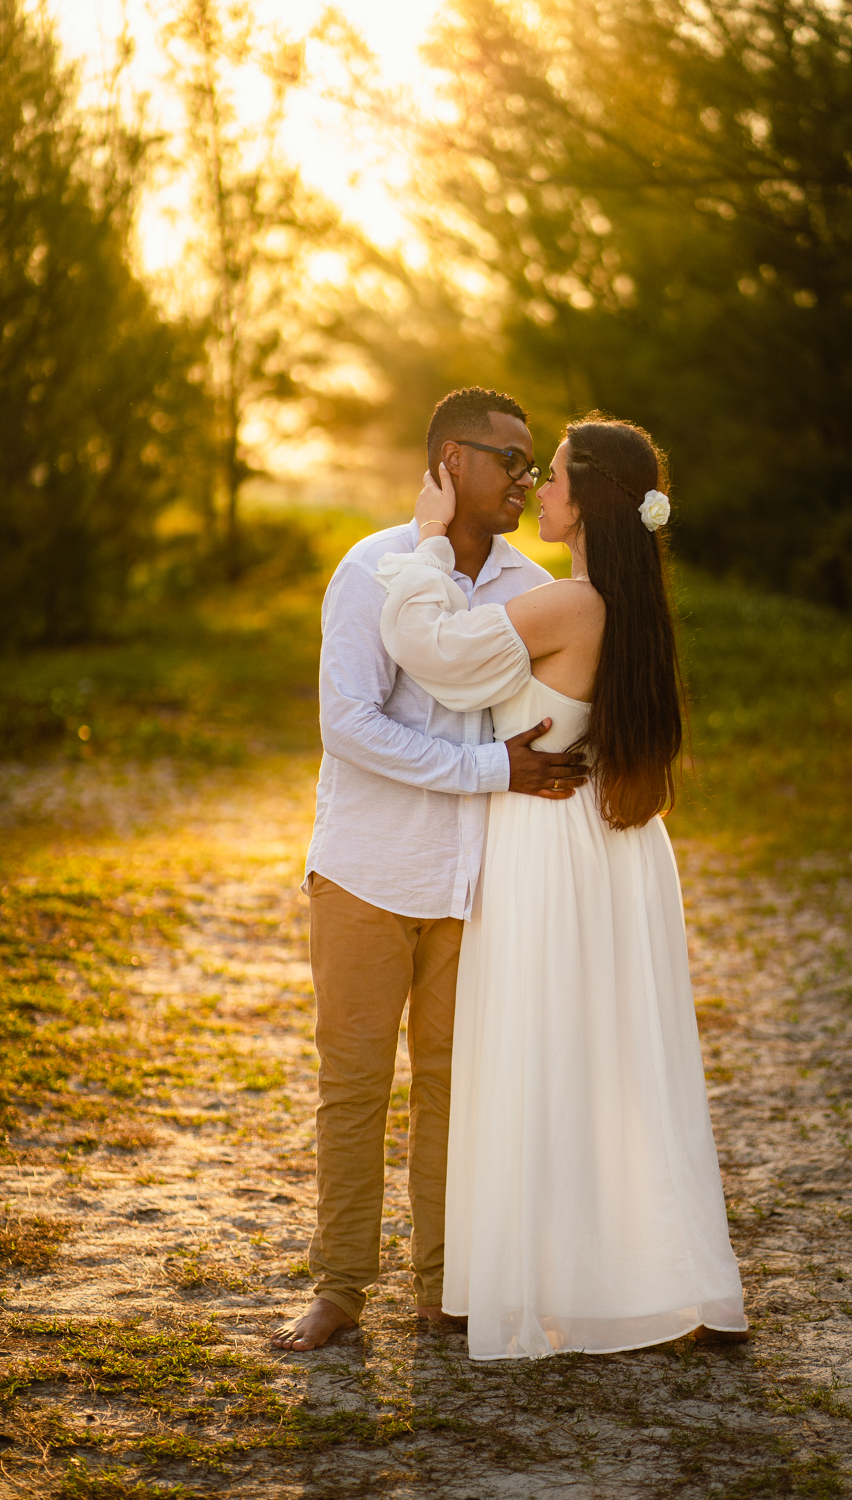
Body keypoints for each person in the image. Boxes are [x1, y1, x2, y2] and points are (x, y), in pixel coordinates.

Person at [375, 413, 748, 1360]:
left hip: (550, 846)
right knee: (609, 1064)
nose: (539, 488)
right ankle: (622, 1278)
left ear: (588, 502)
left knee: (541, 1054)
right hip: (613, 849)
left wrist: (425, 538)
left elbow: (437, 654)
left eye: (556, 477)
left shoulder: (572, 604)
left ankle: (550, 1283)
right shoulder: (623, 603)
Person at [271, 387, 587, 1353]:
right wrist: (490, 770)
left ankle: (445, 1288)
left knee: (456, 1087)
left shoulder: (531, 584)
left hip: (475, 882)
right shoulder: (371, 569)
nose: (528, 479)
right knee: (356, 1084)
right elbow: (349, 727)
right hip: (368, 871)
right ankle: (340, 1289)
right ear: (453, 460)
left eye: (537, 463)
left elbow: (548, 724)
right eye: (512, 459)